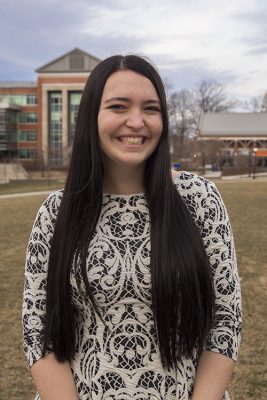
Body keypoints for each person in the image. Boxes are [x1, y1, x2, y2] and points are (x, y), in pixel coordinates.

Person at [22, 55, 242, 400]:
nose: (136, 121)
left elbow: (225, 320)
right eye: (118, 106)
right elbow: (39, 330)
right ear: (91, 116)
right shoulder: (56, 212)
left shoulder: (199, 199)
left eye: (151, 109)